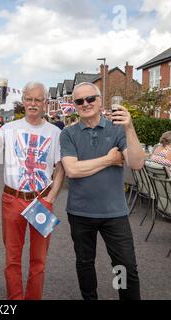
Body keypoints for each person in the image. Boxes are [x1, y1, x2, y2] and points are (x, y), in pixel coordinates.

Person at [60, 82, 145, 300]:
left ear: (100, 100)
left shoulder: (118, 129)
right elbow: (71, 170)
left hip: (114, 212)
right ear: (74, 105)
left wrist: (129, 127)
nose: (85, 104)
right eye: (79, 101)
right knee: (85, 262)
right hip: (80, 212)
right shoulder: (68, 134)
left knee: (124, 265)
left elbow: (135, 163)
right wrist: (109, 159)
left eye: (90, 99)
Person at [0, 82, 65, 300]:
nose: (32, 103)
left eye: (38, 100)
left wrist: (52, 197)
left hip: (41, 200)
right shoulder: (10, 128)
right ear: (23, 101)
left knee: (38, 260)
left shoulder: (55, 132)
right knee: (12, 259)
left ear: (44, 103)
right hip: (13, 198)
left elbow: (61, 167)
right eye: (29, 99)